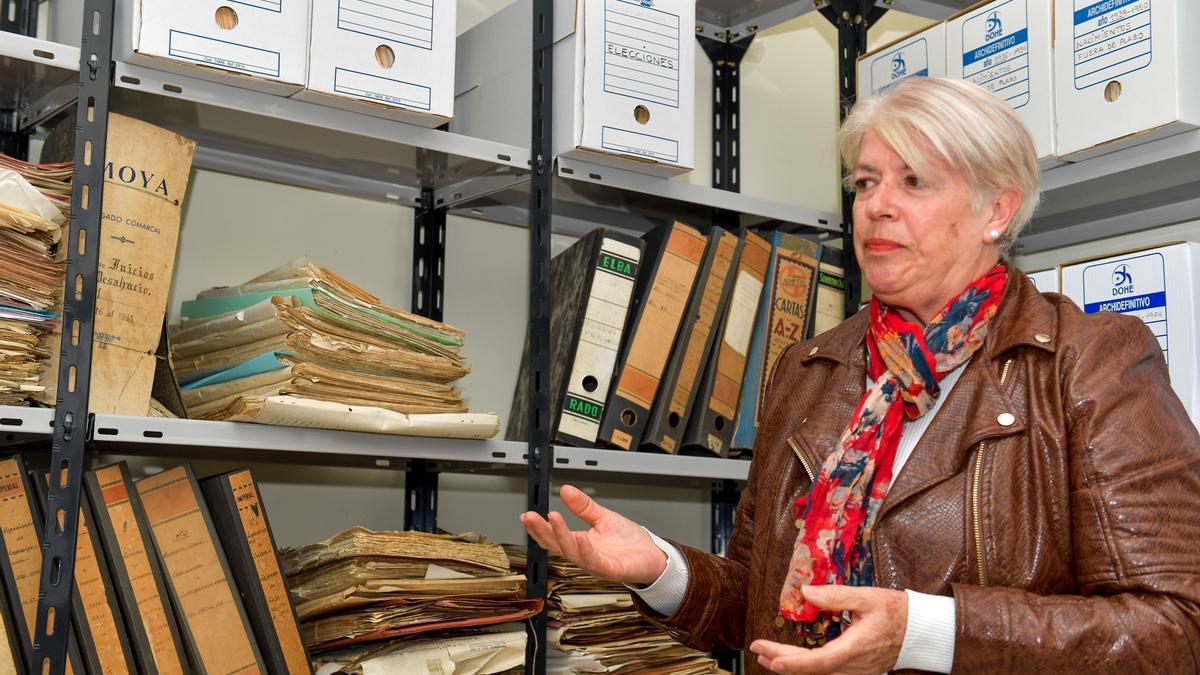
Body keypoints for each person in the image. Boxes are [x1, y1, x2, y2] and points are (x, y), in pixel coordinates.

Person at [520, 76, 1200, 674]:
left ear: (997, 210)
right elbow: (762, 609)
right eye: (866, 182)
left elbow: (1174, 630)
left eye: (915, 181)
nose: (877, 205)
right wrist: (661, 570)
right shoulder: (812, 368)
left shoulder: (1089, 362)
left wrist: (925, 633)